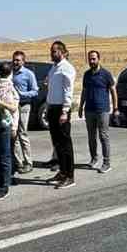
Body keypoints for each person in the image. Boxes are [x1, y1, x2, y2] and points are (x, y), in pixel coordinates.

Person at [79, 49, 119, 174]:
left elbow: (113, 91)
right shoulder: (86, 75)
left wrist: (115, 108)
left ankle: (107, 162)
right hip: (89, 110)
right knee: (91, 137)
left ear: (98, 59)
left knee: (103, 136)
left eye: (94, 58)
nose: (92, 61)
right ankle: (94, 158)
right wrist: (80, 106)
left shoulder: (106, 74)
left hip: (102, 110)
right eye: (90, 59)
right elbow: (84, 91)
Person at [46, 41, 77, 188]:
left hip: (61, 110)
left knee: (65, 144)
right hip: (52, 108)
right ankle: (62, 172)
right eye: (51, 51)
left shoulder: (67, 68)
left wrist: (65, 111)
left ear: (62, 52)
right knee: (57, 143)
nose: (52, 54)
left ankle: (70, 176)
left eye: (54, 51)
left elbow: (68, 91)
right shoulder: (54, 68)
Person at [0, 62, 19, 200]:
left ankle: (4, 186)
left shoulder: (10, 87)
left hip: (3, 125)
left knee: (4, 157)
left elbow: (14, 108)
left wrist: (14, 126)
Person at [10, 50, 39, 174]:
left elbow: (35, 91)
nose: (15, 62)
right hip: (12, 107)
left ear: (23, 61)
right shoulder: (10, 73)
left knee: (22, 134)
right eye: (14, 59)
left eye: (18, 60)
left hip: (24, 106)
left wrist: (22, 94)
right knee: (14, 135)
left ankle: (28, 162)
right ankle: (18, 162)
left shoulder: (28, 74)